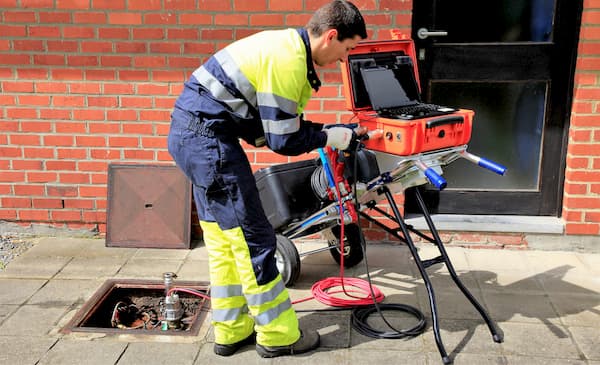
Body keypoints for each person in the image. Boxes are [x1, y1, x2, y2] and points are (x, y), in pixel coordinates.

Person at [167, 0, 367, 358]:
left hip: (192, 136)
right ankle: (277, 335)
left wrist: (326, 131)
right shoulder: (289, 61)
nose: (342, 60)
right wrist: (332, 137)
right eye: (346, 50)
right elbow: (283, 140)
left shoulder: (285, 46)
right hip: (209, 142)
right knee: (255, 241)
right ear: (331, 36)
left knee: (225, 242)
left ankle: (231, 330)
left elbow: (266, 128)